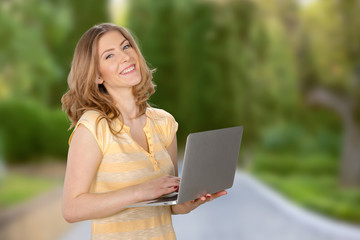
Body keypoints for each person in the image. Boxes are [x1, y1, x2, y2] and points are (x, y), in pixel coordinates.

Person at [61, 23, 227, 240]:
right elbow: (72, 209)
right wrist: (139, 192)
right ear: (97, 76)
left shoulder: (164, 123)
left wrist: (187, 202)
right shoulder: (93, 126)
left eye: (126, 46)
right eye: (109, 56)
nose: (125, 57)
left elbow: (169, 205)